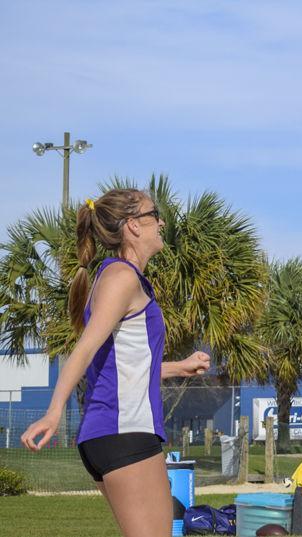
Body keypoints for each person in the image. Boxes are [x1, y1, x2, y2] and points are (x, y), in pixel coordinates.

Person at [21, 189, 211, 537]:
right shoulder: (121, 278)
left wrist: (178, 367)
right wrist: (54, 410)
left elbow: (122, 366)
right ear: (133, 226)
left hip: (112, 434)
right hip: (124, 434)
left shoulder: (122, 278)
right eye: (154, 214)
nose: (162, 222)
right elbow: (85, 349)